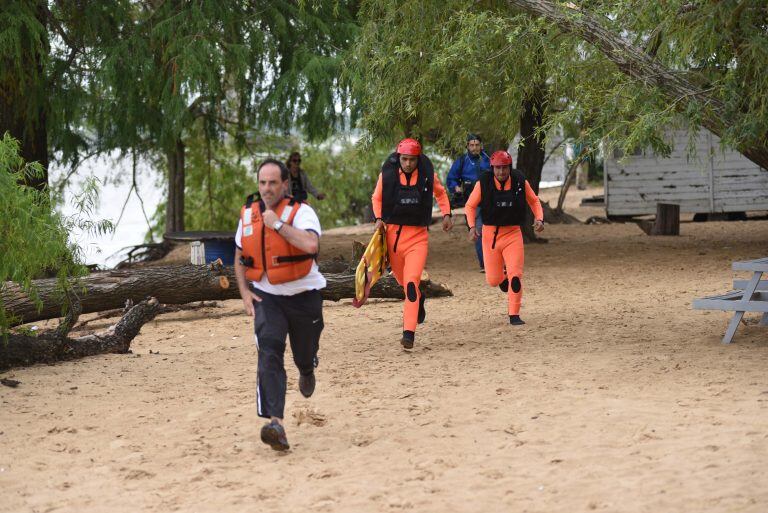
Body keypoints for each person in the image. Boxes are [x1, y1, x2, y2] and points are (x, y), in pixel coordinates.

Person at [233, 158, 326, 451]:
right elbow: (239, 256)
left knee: (303, 354)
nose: (267, 189)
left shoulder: (302, 212)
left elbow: (311, 246)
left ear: (285, 184)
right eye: (262, 183)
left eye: (273, 183)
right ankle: (276, 423)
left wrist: (278, 225)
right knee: (269, 352)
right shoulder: (249, 215)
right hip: (267, 297)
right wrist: (245, 293)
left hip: (304, 296)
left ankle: (307, 368)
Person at [371, 138, 453, 349]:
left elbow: (441, 193)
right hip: (393, 238)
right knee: (403, 282)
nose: (408, 164)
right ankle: (420, 298)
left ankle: (409, 334)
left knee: (410, 283)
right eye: (404, 159)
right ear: (399, 158)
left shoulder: (427, 174)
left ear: (418, 159)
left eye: (412, 160)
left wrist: (446, 214)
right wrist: (378, 218)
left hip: (418, 238)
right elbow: (376, 198)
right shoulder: (387, 175)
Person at [464, 150, 544, 325]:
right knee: (493, 280)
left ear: (510, 167)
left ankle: (514, 314)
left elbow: (534, 201)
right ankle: (503, 279)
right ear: (492, 168)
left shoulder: (519, 180)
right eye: (497, 168)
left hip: (513, 234)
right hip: (490, 236)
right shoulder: (483, 182)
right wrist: (471, 227)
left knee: (516, 275)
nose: (501, 172)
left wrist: (539, 219)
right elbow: (470, 206)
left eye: (504, 168)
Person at [446, 134, 490, 271]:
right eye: (472, 145)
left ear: (481, 146)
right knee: (477, 230)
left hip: (489, 200)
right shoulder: (462, 161)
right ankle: (485, 264)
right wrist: (455, 187)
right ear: (467, 146)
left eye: (477, 145)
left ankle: (495, 262)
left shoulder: (488, 160)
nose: (475, 148)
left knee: (493, 231)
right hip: (472, 203)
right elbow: (451, 179)